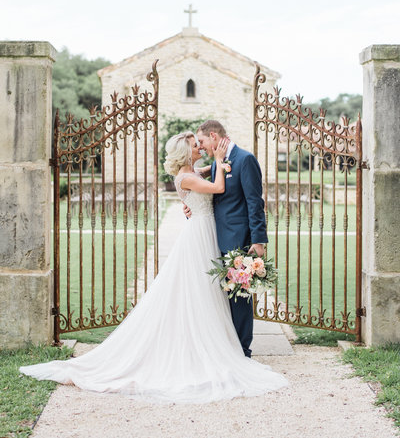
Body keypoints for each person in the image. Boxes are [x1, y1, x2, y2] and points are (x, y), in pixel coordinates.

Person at [20, 132, 287, 403]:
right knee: (198, 290)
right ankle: (203, 347)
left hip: (207, 232)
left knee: (206, 293)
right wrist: (218, 160)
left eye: (200, 143)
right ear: (187, 153)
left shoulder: (193, 171)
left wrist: (215, 165)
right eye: (196, 146)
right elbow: (218, 189)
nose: (201, 148)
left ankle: (218, 345)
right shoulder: (187, 176)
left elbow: (209, 178)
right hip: (199, 236)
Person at [193, 120, 268, 359]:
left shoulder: (245, 160)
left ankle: (243, 350)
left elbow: (255, 203)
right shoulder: (218, 161)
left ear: (213, 136)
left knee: (239, 297)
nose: (201, 146)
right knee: (224, 295)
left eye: (202, 141)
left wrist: (258, 240)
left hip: (239, 240)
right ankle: (228, 344)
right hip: (218, 237)